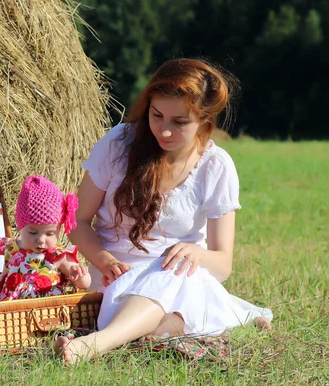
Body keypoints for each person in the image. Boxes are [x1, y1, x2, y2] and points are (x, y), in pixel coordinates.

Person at [55, 58, 273, 363]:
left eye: (180, 122)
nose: (165, 131)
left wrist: (196, 254)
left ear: (205, 121)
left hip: (181, 278)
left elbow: (223, 264)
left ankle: (96, 344)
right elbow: (76, 220)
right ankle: (185, 324)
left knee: (172, 272)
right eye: (156, 115)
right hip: (115, 278)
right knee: (173, 298)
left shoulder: (216, 166)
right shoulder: (118, 145)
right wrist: (104, 260)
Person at [0, 175, 91, 302]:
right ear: (20, 226)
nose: (41, 239)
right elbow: (4, 274)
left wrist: (81, 276)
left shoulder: (58, 255)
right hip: (11, 313)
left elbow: (85, 284)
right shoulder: (12, 249)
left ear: (59, 230)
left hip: (47, 313)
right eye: (33, 232)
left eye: (50, 233)